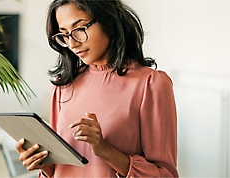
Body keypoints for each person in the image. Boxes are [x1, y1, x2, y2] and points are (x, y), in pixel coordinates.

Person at [15, 0, 179, 177]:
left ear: (108, 20)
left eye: (80, 29)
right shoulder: (64, 84)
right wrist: (42, 163)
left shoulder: (150, 83)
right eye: (64, 35)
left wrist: (104, 149)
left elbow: (165, 174)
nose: (72, 43)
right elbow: (59, 170)